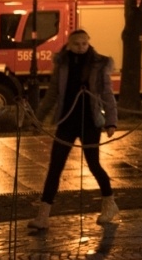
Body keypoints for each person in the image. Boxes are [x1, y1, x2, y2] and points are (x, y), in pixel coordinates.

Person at [31, 29, 120, 230]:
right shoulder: (62, 63)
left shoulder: (99, 64)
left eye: (84, 43)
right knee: (55, 166)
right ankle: (43, 215)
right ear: (69, 44)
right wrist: (38, 118)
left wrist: (111, 121)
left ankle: (109, 203)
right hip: (66, 121)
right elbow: (53, 93)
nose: (80, 47)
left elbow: (107, 93)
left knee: (94, 164)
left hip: (90, 121)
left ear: (88, 43)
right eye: (76, 44)